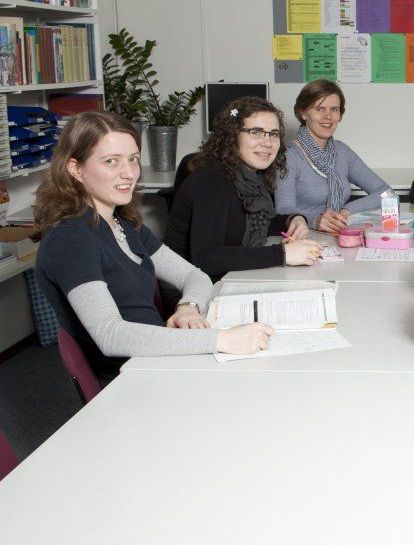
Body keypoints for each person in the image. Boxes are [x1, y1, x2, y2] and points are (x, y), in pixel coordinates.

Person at [34, 111, 273, 380]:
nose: (128, 173)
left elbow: (194, 275)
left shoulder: (124, 224)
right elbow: (111, 335)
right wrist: (220, 340)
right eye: (111, 161)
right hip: (133, 377)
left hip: (159, 359)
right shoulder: (71, 239)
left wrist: (189, 307)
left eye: (133, 160)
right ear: (76, 169)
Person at [164, 97, 324, 282]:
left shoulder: (251, 176)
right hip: (192, 294)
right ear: (232, 136)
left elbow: (248, 222)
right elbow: (207, 257)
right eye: (256, 132)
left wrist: (293, 219)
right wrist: (283, 254)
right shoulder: (212, 181)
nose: (268, 142)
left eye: (273, 134)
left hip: (226, 280)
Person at [275, 79, 389, 234]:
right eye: (320, 109)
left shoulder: (342, 151)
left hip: (338, 235)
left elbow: (386, 192)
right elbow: (283, 209)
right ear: (303, 113)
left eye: (334, 109)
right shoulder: (288, 155)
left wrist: (346, 211)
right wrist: (315, 219)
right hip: (303, 238)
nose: (328, 116)